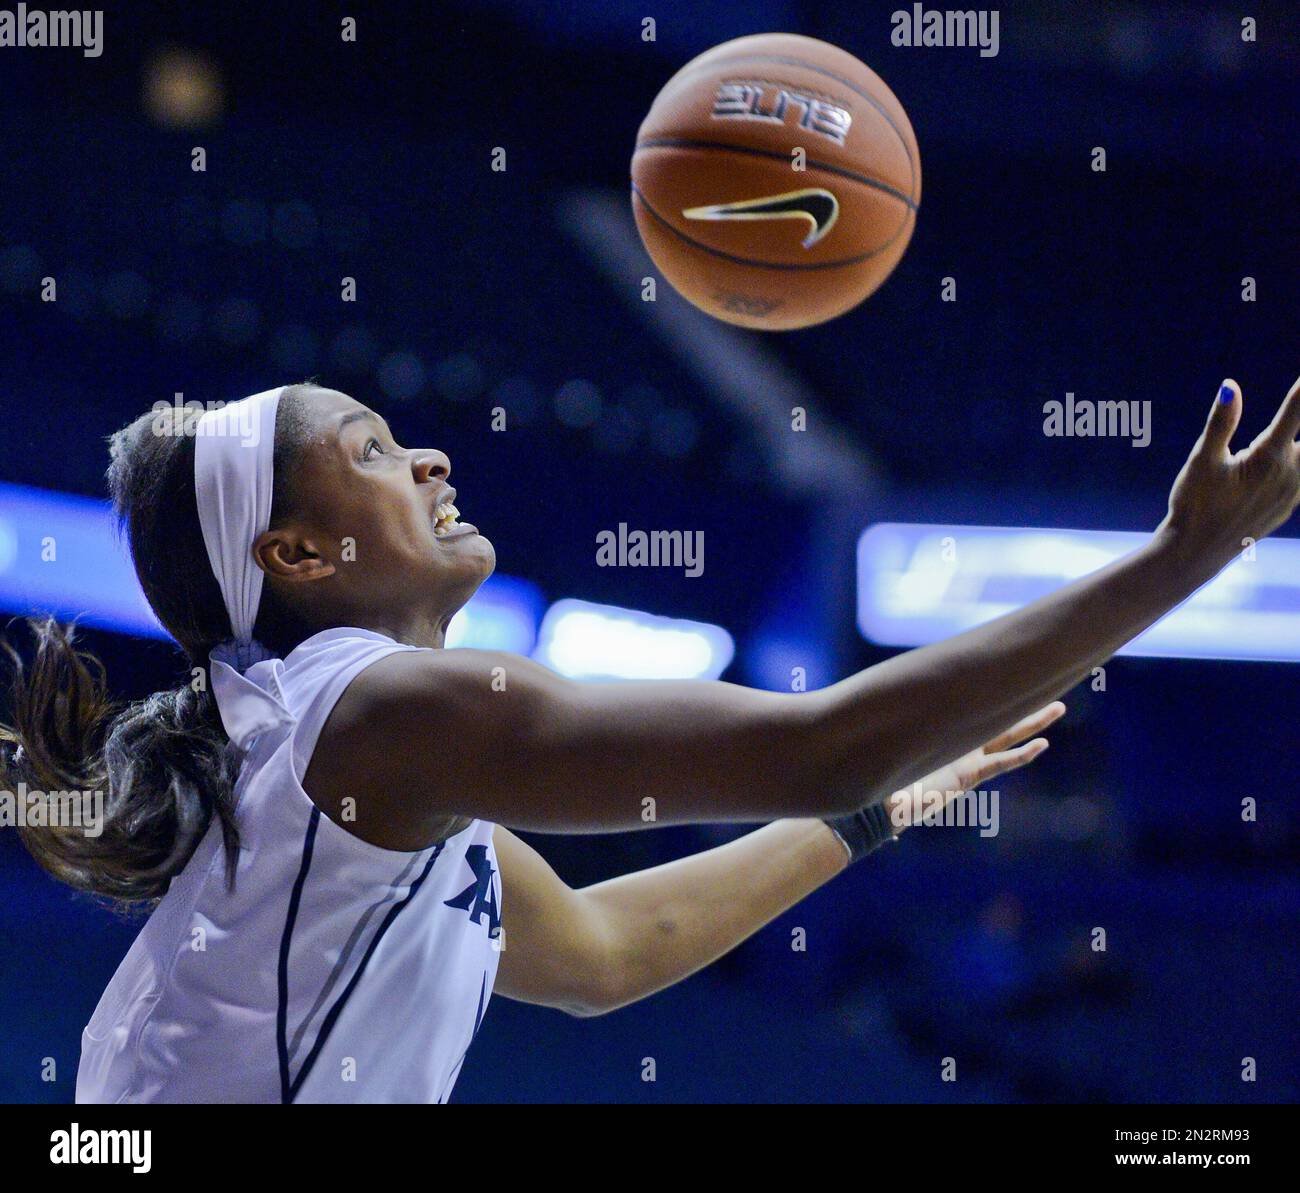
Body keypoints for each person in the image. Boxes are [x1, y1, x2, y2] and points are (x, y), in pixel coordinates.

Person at [2, 375, 1296, 1102]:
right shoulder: (377, 711)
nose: (435, 458)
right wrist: (1182, 559)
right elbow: (823, 740)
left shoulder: (344, 767)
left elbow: (607, 953)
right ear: (294, 553)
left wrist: (860, 815)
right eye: (378, 450)